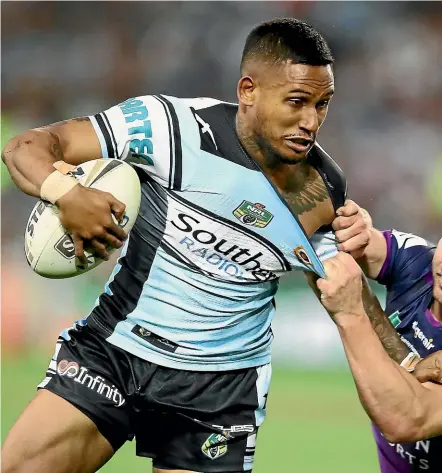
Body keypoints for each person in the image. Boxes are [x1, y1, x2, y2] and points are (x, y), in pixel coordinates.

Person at [2, 18, 378, 473]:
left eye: (323, 104)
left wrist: (410, 361)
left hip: (219, 393)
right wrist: (67, 193)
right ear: (248, 90)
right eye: (297, 102)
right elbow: (25, 146)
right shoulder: (165, 128)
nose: (311, 121)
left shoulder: (321, 190)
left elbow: (348, 297)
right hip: (117, 351)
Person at [317, 229, 442, 473]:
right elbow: (336, 247)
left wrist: (351, 315)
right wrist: (347, 225)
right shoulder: (416, 261)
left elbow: (405, 419)